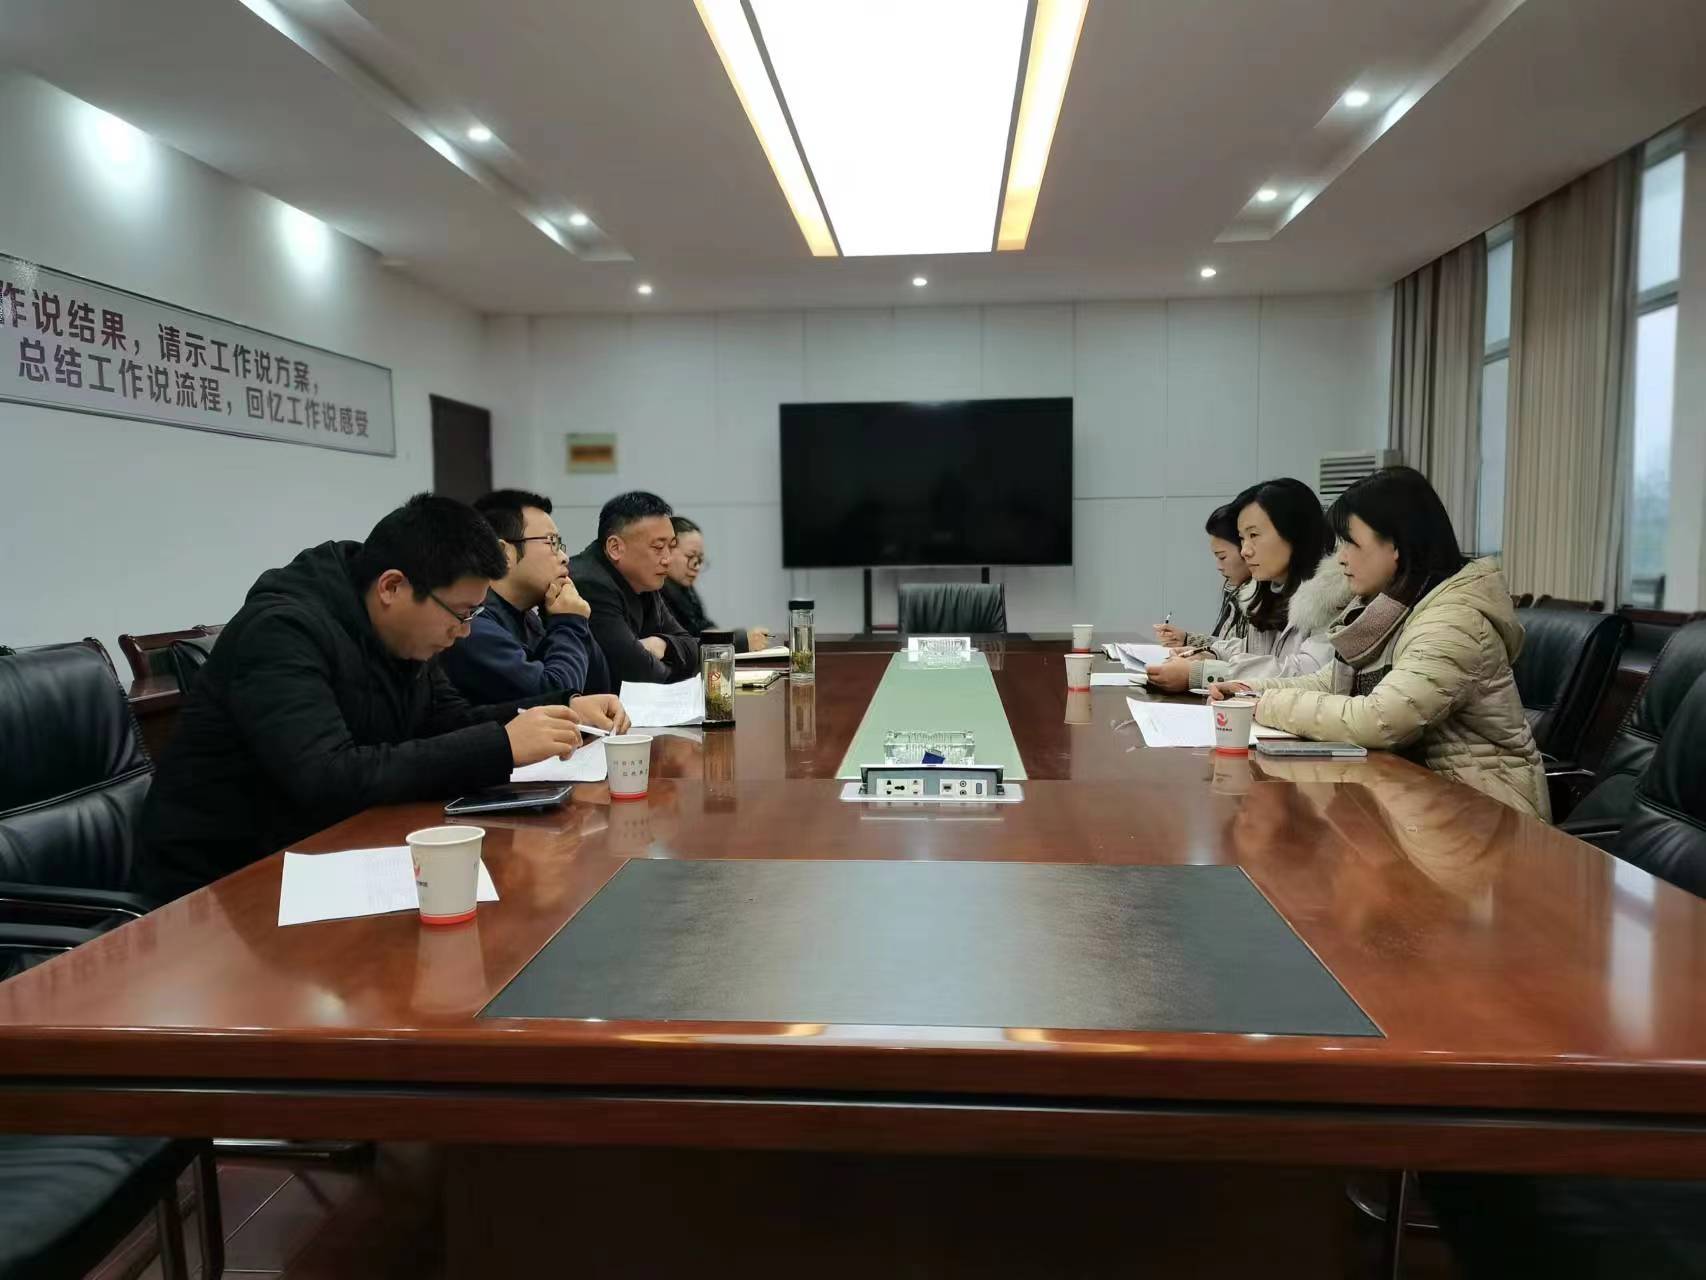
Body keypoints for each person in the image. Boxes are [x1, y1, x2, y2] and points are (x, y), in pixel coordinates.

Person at [138, 494, 626, 905]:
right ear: (392, 586)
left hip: (328, 854)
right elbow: (327, 776)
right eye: (460, 613)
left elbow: (446, 719)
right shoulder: (282, 632)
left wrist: (558, 708)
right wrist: (502, 745)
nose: (464, 632)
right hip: (221, 886)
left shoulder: (401, 630)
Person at [1209, 465, 1548, 819]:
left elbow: (1378, 719)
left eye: (1351, 544)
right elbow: (1330, 681)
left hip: (1485, 809)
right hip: (1415, 798)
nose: (1340, 557)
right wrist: (1250, 691)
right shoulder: (1392, 605)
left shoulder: (1453, 621)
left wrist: (1263, 705)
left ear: (1395, 545)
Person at [1146, 478, 1348, 693]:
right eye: (1242, 538)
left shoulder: (1331, 598)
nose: (1245, 551)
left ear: (1295, 533)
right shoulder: (1268, 591)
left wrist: (1202, 673)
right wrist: (1210, 654)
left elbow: (1306, 675)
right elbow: (1253, 652)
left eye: (1254, 535)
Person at [440, 489, 614, 702]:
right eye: (551, 542)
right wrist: (570, 622)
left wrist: (571, 619)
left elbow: (598, 690)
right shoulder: (472, 626)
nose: (564, 557)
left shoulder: (528, 617)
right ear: (503, 553)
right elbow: (556, 698)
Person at [567, 491, 699, 685]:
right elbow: (641, 676)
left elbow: (694, 648)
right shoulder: (589, 584)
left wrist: (662, 644)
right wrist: (674, 662)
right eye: (658, 547)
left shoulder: (643, 578)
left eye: (671, 547)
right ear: (615, 548)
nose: (667, 559)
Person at [1153, 502, 1256, 651]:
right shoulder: (1237, 591)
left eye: (1222, 557)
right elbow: (1228, 646)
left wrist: (1202, 661)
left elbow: (1249, 657)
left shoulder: (1262, 599)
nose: (1218, 566)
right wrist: (1187, 639)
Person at [660, 516, 771, 654]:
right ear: (667, 551)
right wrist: (739, 641)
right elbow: (681, 645)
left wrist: (736, 636)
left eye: (700, 559)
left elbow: (703, 628)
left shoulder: (684, 589)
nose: (696, 566)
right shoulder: (656, 593)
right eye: (690, 556)